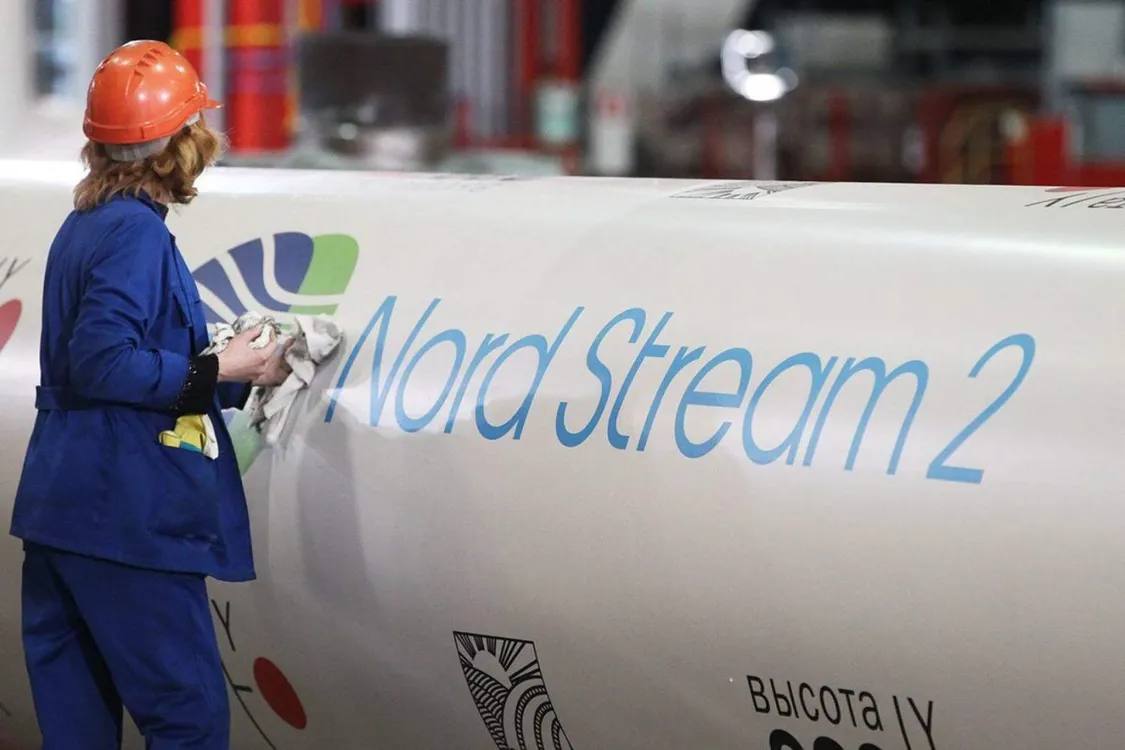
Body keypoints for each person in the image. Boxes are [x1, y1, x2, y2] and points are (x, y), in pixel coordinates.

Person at [9, 40, 288, 748]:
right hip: (125, 520)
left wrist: (230, 374)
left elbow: (100, 363)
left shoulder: (86, 224)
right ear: (182, 144)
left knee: (78, 728)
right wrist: (217, 369)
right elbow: (102, 363)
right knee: (187, 720)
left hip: (62, 512)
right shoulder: (135, 234)